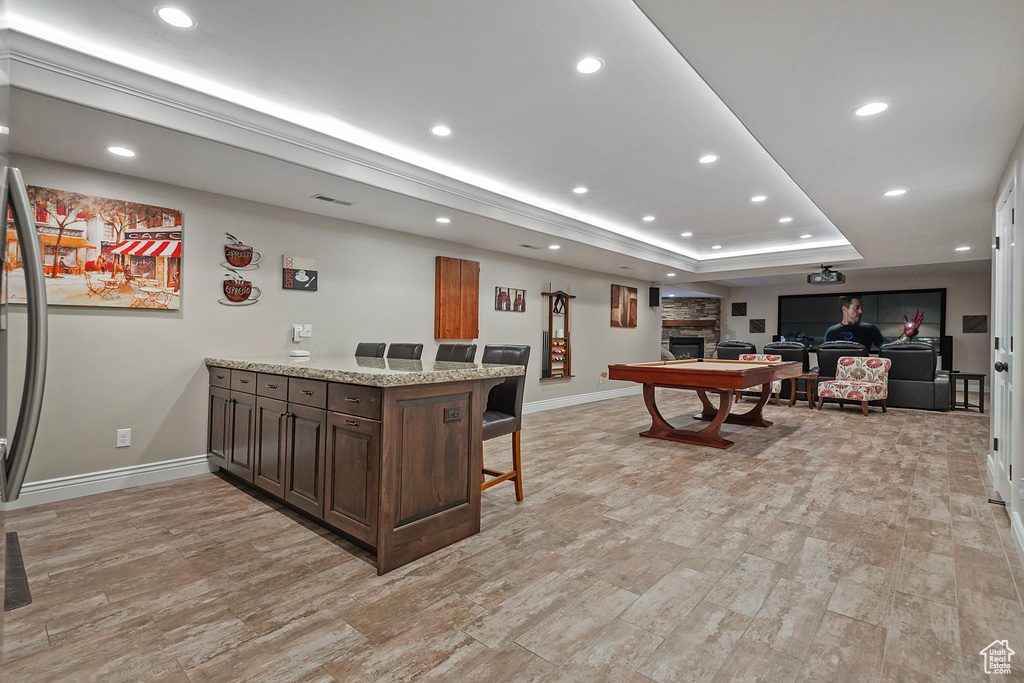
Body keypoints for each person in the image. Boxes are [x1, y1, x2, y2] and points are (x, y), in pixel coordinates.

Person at [823, 294, 923, 351]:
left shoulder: (870, 329)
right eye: (857, 308)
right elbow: (826, 358)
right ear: (844, 309)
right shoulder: (831, 332)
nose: (860, 311)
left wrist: (906, 335)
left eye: (862, 308)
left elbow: (887, 348)